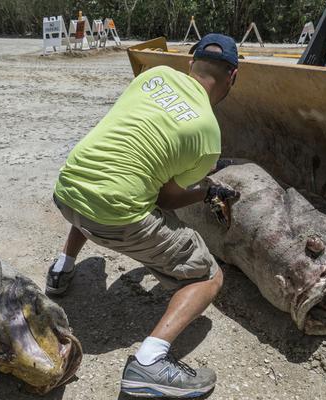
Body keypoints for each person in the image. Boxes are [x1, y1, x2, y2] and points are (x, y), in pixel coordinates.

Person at [47, 33, 240, 398]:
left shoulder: (154, 76)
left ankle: (61, 269)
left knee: (109, 184)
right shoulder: (208, 135)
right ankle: (150, 364)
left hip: (68, 190)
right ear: (233, 77)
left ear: (190, 64)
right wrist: (208, 191)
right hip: (113, 215)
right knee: (208, 277)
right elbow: (165, 200)